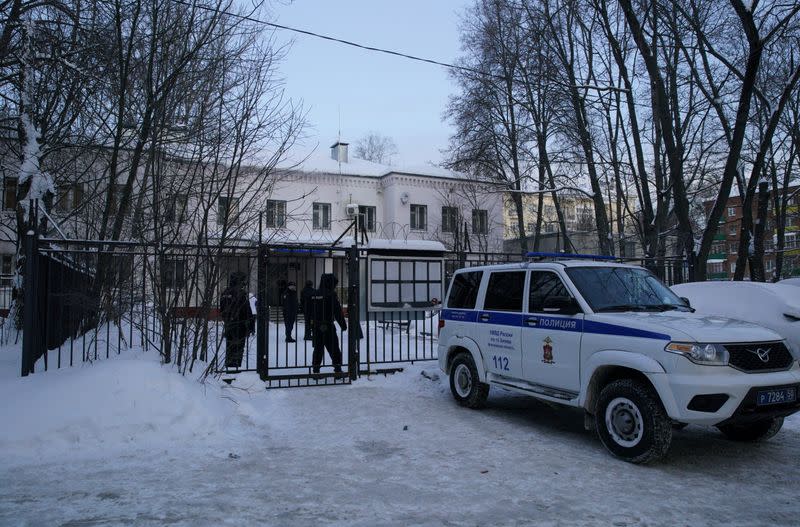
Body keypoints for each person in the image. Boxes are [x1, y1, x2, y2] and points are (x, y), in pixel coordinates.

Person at [310, 273, 347, 374]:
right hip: (328, 325)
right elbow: (337, 311)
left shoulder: (315, 294)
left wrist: (311, 325)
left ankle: (316, 370)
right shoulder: (331, 294)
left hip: (317, 326)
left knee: (318, 348)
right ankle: (338, 369)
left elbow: (309, 311)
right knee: (334, 348)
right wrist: (343, 324)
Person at [220, 272, 254, 370]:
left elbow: (222, 309)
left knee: (230, 347)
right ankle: (235, 368)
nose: (244, 284)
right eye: (243, 282)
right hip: (240, 325)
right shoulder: (240, 293)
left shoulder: (225, 292)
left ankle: (229, 365)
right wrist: (250, 325)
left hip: (229, 324)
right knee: (238, 347)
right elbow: (246, 310)